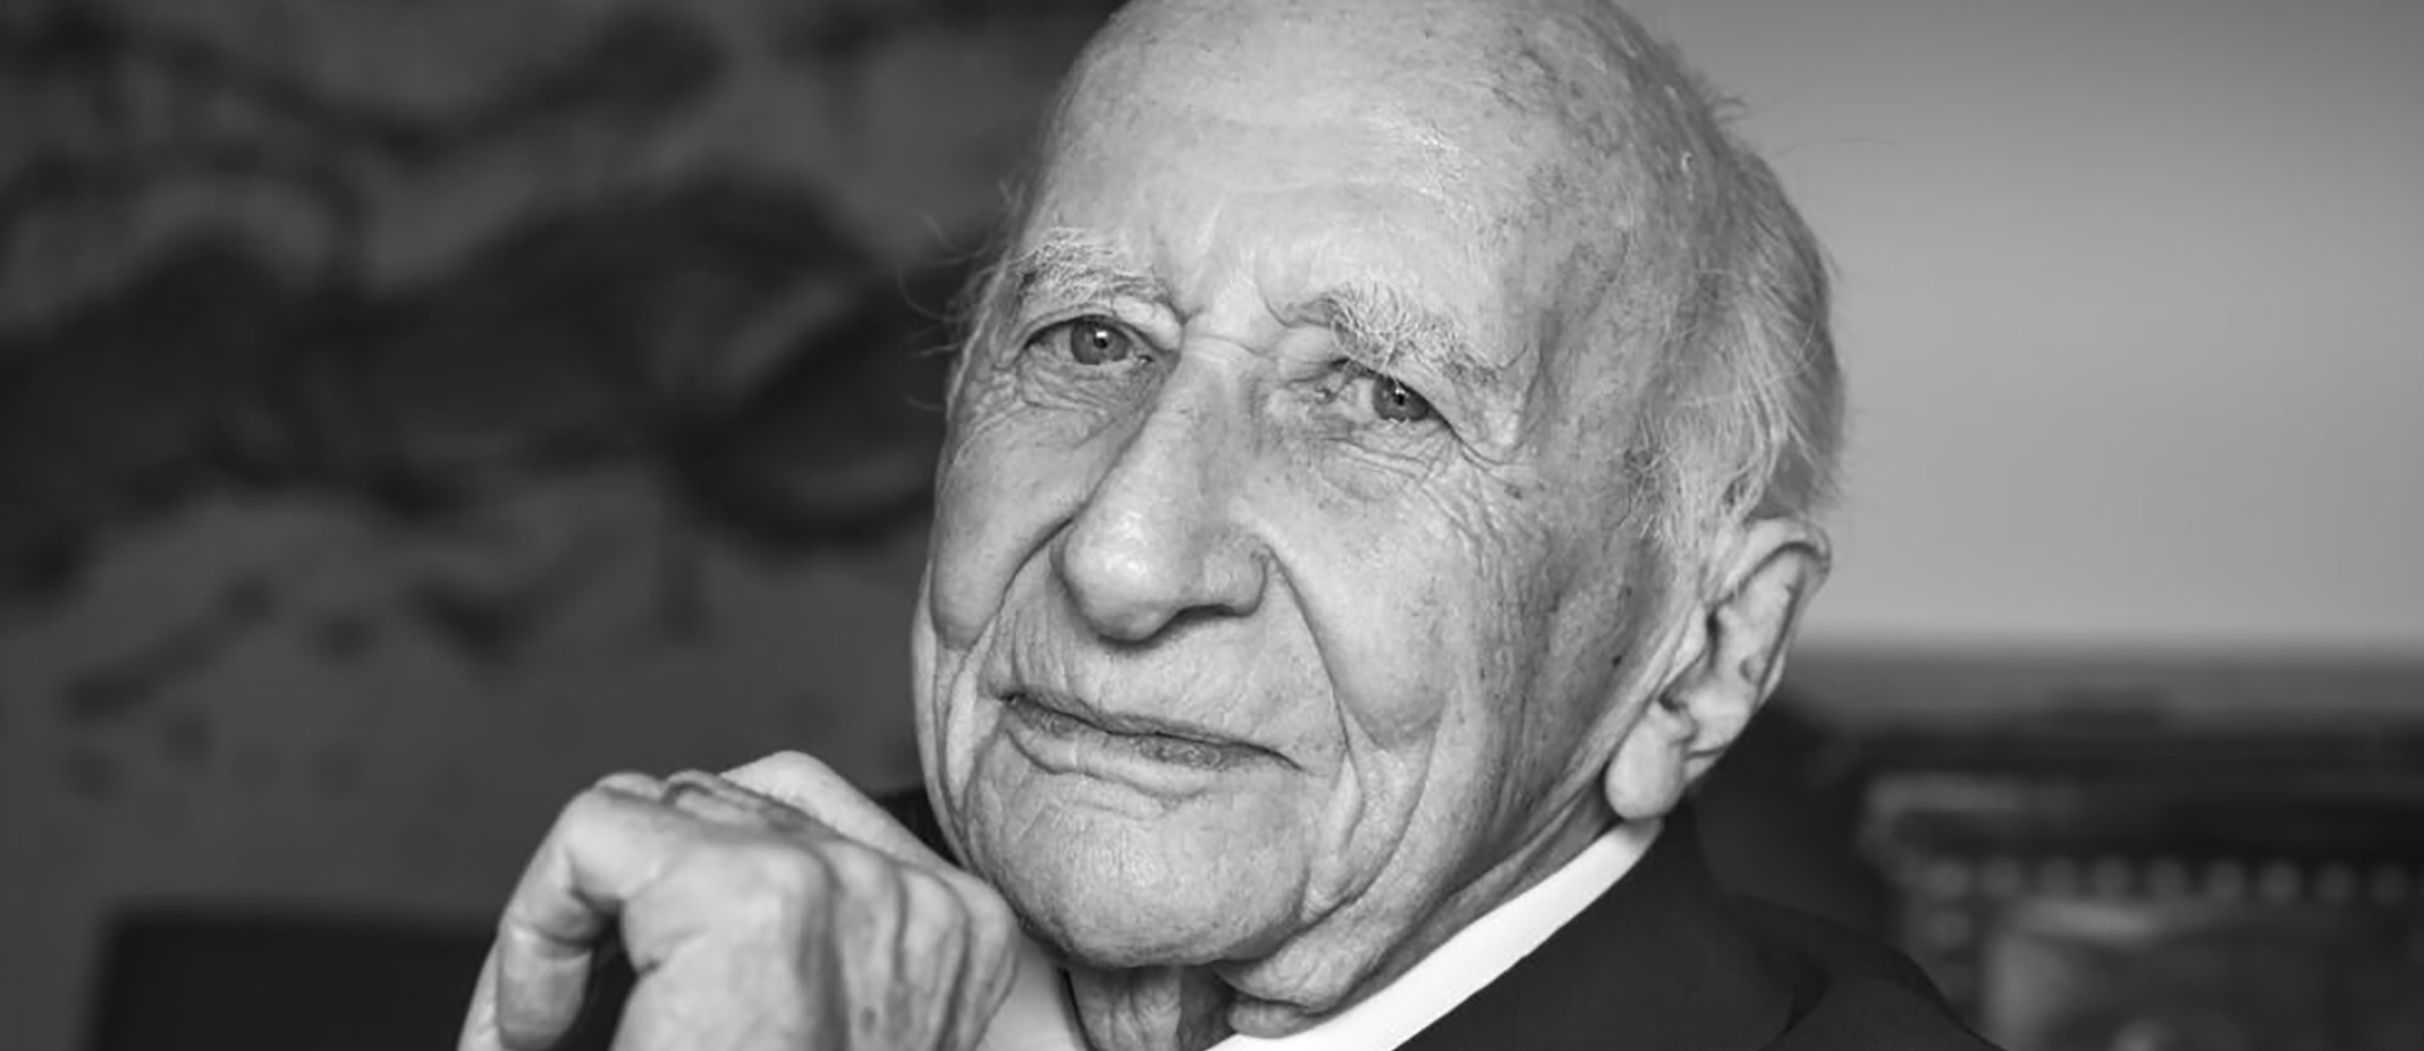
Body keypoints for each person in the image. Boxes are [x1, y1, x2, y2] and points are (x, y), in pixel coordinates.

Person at [459, 0, 1998, 1048]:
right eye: (1090, 340)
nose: (1121, 558)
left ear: (1703, 658)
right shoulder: (716, 963)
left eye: (1383, 400)